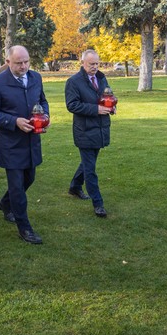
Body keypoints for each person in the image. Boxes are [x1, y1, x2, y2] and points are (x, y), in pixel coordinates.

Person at [0, 45, 48, 244]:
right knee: (17, 187)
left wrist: (45, 116)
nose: (23, 66)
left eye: (26, 61)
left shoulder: (36, 77)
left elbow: (42, 101)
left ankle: (4, 202)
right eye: (19, 63)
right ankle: (24, 227)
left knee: (29, 178)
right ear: (8, 62)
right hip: (11, 143)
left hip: (31, 140)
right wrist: (14, 121)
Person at [65, 49, 113, 218]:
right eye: (91, 64)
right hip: (84, 130)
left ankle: (75, 186)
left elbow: (108, 95)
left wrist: (111, 105)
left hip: (100, 128)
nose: (94, 67)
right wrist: (96, 109)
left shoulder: (101, 77)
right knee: (90, 168)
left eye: (97, 63)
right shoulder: (73, 82)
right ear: (82, 63)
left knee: (88, 163)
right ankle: (98, 203)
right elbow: (72, 105)